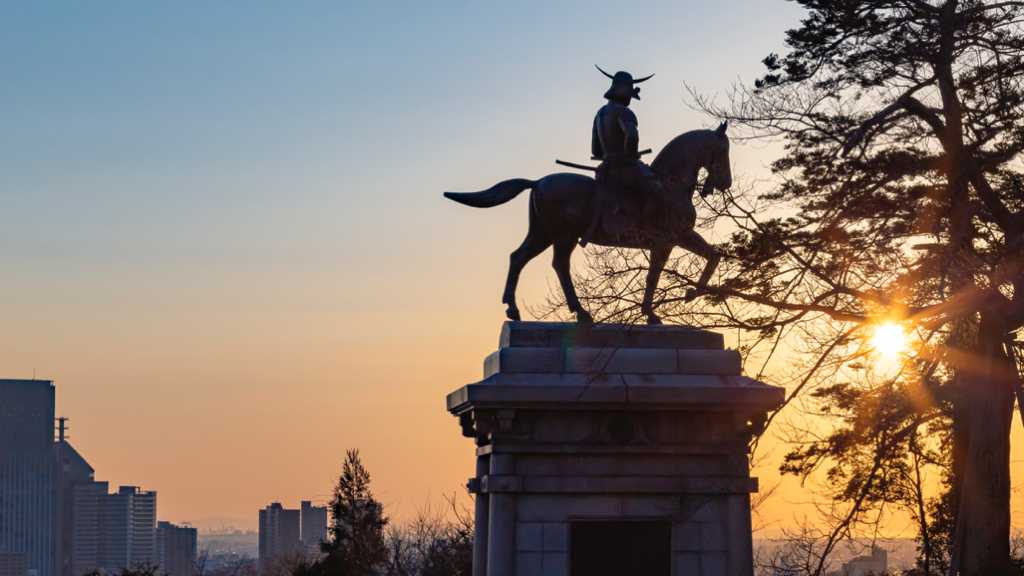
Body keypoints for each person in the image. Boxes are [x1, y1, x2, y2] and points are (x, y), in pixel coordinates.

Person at [580, 66, 656, 248]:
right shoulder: (625, 112)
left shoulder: (599, 114)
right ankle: (650, 230)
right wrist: (631, 155)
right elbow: (632, 135)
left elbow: (596, 150)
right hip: (625, 170)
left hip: (605, 169)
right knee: (657, 189)